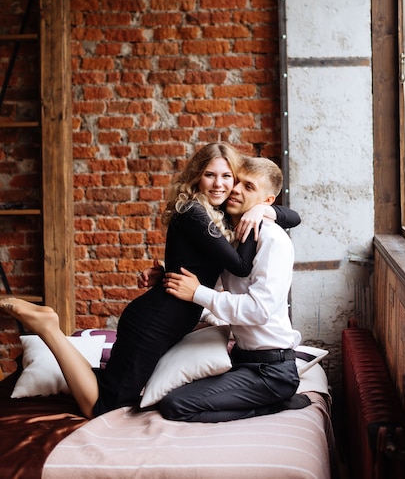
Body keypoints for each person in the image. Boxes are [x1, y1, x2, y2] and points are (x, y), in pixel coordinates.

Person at [0, 143, 300, 419]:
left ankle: (58, 350)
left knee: (115, 379)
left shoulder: (226, 219)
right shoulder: (198, 212)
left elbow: (292, 218)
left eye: (230, 178)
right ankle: (49, 329)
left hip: (167, 316)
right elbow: (239, 268)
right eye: (211, 175)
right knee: (104, 407)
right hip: (156, 320)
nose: (225, 186)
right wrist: (197, 291)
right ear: (197, 177)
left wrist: (265, 209)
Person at [159, 156, 306, 423]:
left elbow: (259, 310)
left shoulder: (273, 240)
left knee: (175, 405)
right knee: (166, 392)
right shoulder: (231, 234)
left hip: (270, 371)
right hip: (241, 359)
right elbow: (209, 278)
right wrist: (162, 273)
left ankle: (275, 404)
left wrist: (197, 293)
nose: (235, 189)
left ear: (267, 201)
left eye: (248, 187)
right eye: (236, 182)